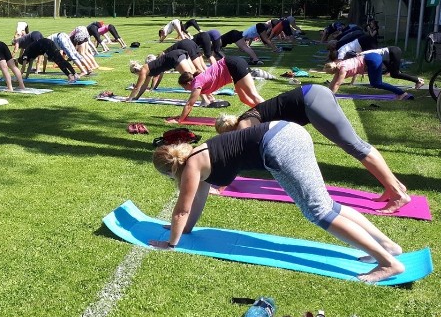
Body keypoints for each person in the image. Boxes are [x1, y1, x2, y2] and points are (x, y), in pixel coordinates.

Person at [151, 121, 405, 284]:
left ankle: (388, 263)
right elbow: (197, 202)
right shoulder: (200, 155)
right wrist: (186, 231)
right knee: (325, 204)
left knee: (318, 212)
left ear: (170, 170)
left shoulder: (192, 167)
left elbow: (182, 209)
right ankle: (388, 246)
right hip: (289, 131)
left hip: (278, 146)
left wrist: (171, 244)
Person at [214, 84, 411, 212]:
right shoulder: (250, 116)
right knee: (357, 145)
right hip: (314, 94)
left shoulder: (245, 125)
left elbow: (236, 155)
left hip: (312, 101)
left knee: (356, 146)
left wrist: (220, 185)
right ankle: (394, 186)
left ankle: (397, 194)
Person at [170, 56, 265, 123]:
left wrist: (179, 120)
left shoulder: (196, 83)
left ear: (188, 83)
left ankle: (271, 114)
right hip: (233, 65)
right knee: (243, 98)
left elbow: (189, 104)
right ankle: (262, 113)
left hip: (233, 64)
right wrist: (182, 117)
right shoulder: (198, 81)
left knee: (252, 94)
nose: (186, 90)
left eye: (184, 87)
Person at [324, 52, 415, 100]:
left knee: (376, 83)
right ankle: (400, 93)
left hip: (371, 60)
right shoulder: (338, 65)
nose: (330, 75)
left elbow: (337, 84)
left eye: (329, 73)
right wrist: (327, 94)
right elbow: (333, 82)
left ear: (332, 70)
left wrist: (330, 97)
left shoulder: (342, 70)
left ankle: (402, 93)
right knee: (376, 82)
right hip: (371, 57)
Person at [126, 50, 197, 100]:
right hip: (179, 53)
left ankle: (206, 100)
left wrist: (129, 98)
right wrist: (136, 97)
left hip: (174, 58)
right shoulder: (147, 70)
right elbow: (144, 86)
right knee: (195, 77)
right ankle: (206, 98)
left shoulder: (143, 71)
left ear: (136, 71)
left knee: (192, 80)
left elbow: (137, 87)